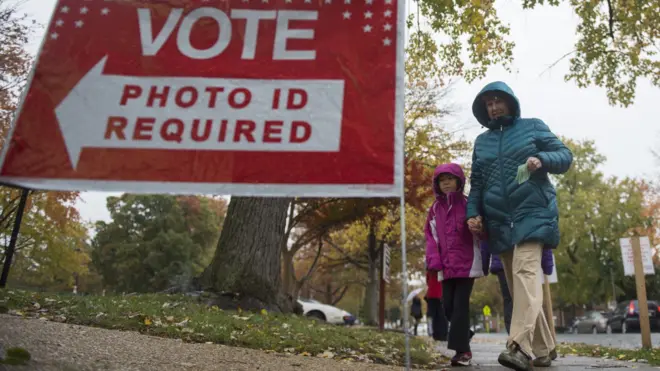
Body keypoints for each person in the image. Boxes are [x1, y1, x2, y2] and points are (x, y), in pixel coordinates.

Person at [466, 81, 573, 371]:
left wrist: (542, 159)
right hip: (499, 221)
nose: (494, 106)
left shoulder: (533, 127)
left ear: (511, 102)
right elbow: (476, 184)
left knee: (526, 273)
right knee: (519, 286)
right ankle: (544, 349)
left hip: (533, 212)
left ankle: (519, 347)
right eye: (488, 103)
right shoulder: (482, 142)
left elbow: (565, 156)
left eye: (498, 100)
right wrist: (472, 214)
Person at [425, 163, 484, 366]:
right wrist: (434, 260)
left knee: (460, 306)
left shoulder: (469, 204)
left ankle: (462, 352)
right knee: (448, 307)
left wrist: (478, 228)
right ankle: (464, 332)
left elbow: (482, 231)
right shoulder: (434, 209)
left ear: (459, 181)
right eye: (442, 180)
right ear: (437, 184)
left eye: (450, 179)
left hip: (467, 264)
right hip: (446, 266)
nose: (446, 183)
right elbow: (430, 237)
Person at [482, 248, 555, 335]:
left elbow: (486, 237)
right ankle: (521, 337)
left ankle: (516, 337)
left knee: (512, 300)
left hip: (507, 258)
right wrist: (547, 262)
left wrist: (484, 264)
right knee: (527, 299)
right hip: (524, 260)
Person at [424, 270, 448, 344]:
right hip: (441, 294)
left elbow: (427, 282)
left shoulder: (430, 270)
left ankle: (435, 334)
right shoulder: (442, 268)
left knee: (433, 315)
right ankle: (443, 335)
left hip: (431, 294)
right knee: (442, 315)